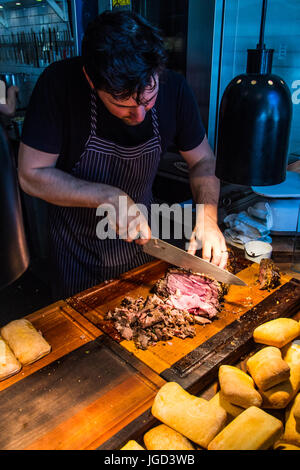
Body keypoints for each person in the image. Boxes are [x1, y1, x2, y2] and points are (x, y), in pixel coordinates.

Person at [18, 10, 228, 300]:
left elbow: (203, 160)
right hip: (77, 253)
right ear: (92, 81)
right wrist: (108, 196)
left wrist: (207, 216)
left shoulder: (175, 89)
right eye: (123, 104)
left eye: (148, 97)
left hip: (142, 246)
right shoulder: (59, 85)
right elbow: (31, 174)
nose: (140, 114)